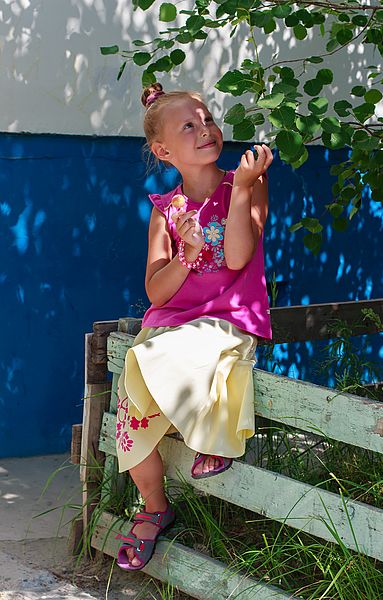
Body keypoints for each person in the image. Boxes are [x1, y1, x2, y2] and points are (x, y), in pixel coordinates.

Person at [115, 82, 273, 570]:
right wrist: (184, 255)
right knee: (132, 400)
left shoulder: (246, 184)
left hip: (227, 319)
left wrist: (244, 187)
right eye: (190, 125)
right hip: (173, 322)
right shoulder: (165, 213)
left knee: (150, 359)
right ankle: (155, 506)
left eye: (207, 118)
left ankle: (212, 437)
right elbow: (157, 292)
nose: (206, 128)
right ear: (163, 150)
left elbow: (238, 256)